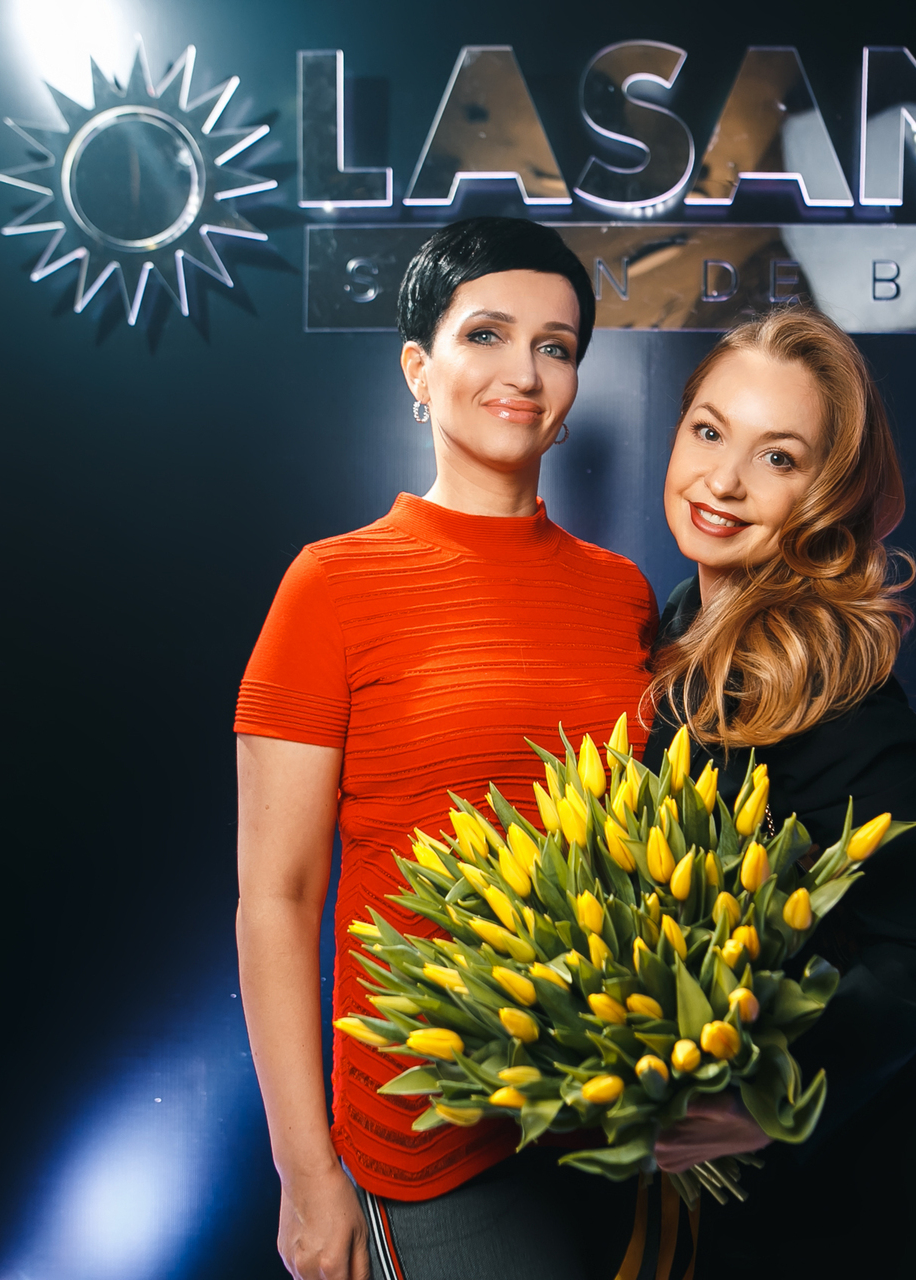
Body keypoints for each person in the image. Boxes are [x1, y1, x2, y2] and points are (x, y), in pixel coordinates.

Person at [234, 217, 657, 1280]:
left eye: (556, 346)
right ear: (419, 370)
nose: (525, 371)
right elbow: (276, 896)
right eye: (486, 334)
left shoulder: (622, 594)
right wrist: (305, 1172)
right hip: (427, 1140)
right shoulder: (330, 585)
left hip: (612, 1127)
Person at [641, 307, 916, 1278]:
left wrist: (767, 1099)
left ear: (827, 493)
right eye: (709, 430)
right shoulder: (680, 633)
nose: (724, 480)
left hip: (847, 1205)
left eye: (778, 457)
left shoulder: (830, 685)